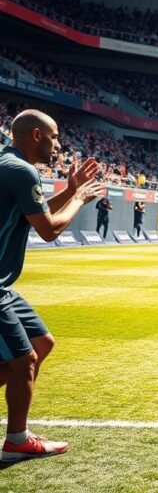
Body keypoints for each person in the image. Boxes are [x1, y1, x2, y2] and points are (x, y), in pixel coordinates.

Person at [0, 109, 105, 461]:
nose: (58, 144)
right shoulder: (19, 170)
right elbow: (49, 230)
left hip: (3, 286)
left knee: (41, 342)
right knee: (25, 360)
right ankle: (17, 439)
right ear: (35, 135)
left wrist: (70, 190)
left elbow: (37, 215)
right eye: (54, 137)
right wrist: (78, 199)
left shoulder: (10, 165)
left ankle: (18, 433)